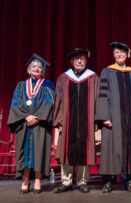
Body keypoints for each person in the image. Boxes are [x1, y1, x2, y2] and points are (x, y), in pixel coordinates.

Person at [53, 48, 99, 193]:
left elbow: (98, 100)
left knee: (85, 149)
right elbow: (58, 100)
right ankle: (66, 181)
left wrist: (97, 120)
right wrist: (59, 120)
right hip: (67, 121)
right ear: (72, 61)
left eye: (82, 59)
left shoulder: (93, 78)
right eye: (77, 59)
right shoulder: (63, 78)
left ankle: (82, 181)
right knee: (67, 148)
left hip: (87, 120)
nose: (79, 61)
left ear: (86, 61)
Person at [7, 53, 55, 194]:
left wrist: (38, 117)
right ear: (28, 70)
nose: (36, 68)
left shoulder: (47, 84)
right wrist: (26, 116)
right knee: (25, 152)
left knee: (38, 152)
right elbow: (16, 104)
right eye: (33, 66)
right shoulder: (21, 85)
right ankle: (26, 180)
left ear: (42, 70)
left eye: (39, 67)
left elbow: (49, 103)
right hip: (24, 124)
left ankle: (38, 180)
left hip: (40, 124)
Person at [96, 42, 131, 193]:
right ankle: (108, 180)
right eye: (116, 52)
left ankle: (128, 180)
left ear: (127, 54)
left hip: (129, 118)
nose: (119, 54)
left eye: (122, 52)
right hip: (112, 118)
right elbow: (102, 95)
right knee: (109, 148)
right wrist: (104, 116)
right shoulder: (107, 71)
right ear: (113, 55)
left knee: (129, 148)